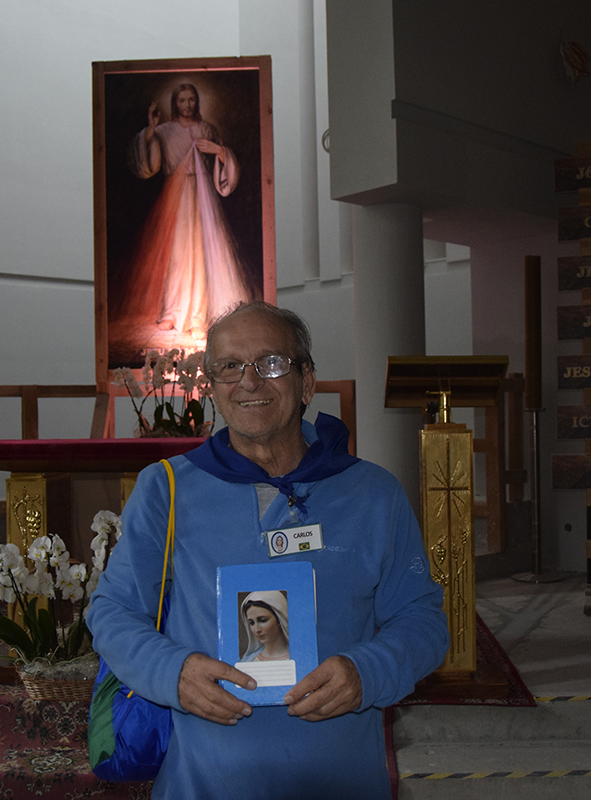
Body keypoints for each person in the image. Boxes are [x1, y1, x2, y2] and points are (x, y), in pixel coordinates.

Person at [88, 301, 449, 799]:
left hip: (342, 781)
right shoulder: (165, 489)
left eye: (271, 363)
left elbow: (423, 621)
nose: (249, 381)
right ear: (213, 387)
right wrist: (173, 673)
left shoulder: (373, 493)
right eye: (230, 366)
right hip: (205, 784)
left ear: (307, 382)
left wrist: (368, 671)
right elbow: (112, 611)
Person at [123, 83, 254, 338]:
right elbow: (149, 166)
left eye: (191, 99)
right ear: (175, 103)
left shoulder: (207, 129)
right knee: (177, 254)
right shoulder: (164, 131)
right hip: (175, 198)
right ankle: (172, 312)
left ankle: (197, 317)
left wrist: (219, 151)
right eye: (182, 100)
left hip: (204, 200)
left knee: (202, 253)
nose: (187, 105)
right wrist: (150, 130)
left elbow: (225, 167)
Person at [239, 591, 289, 662]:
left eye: (263, 620)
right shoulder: (248, 661)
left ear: (279, 619)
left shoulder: (298, 656)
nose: (257, 630)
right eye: (251, 623)